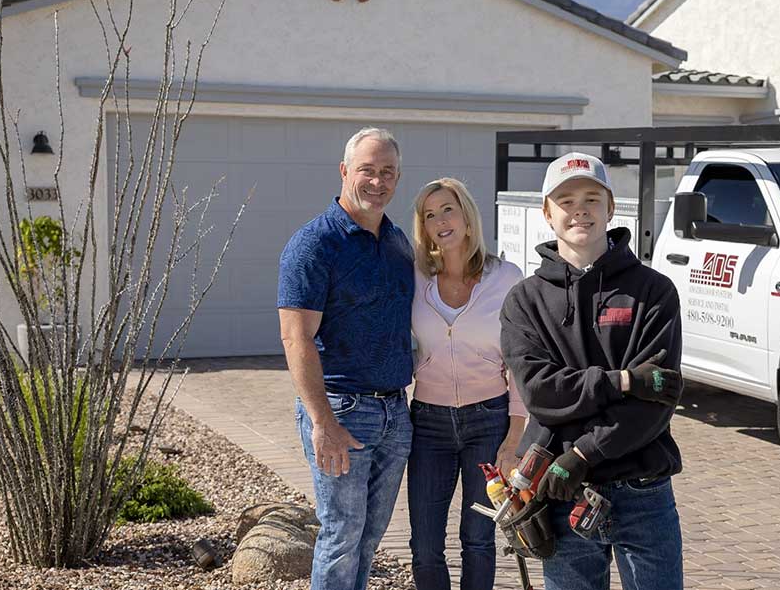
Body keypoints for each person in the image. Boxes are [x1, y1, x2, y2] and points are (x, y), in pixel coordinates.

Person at [500, 152, 686, 590]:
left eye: (590, 198)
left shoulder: (653, 292)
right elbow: (541, 393)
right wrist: (621, 379)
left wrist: (583, 455)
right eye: (565, 200)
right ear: (547, 212)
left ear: (610, 207)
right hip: (560, 497)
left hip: (643, 490)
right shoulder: (524, 302)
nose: (579, 209)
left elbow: (655, 401)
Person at [277, 127, 414, 590]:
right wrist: (322, 421)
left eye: (388, 172)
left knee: (369, 538)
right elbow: (296, 339)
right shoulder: (315, 244)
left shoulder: (398, 242)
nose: (378, 181)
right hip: (343, 412)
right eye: (367, 171)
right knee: (340, 536)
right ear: (344, 172)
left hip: (396, 411)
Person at [407, 177, 526, 590]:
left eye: (447, 209)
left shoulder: (506, 278)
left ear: (468, 218)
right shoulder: (415, 278)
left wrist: (513, 442)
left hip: (488, 420)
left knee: (478, 540)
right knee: (424, 545)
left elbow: (521, 364)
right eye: (429, 214)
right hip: (428, 424)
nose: (440, 220)